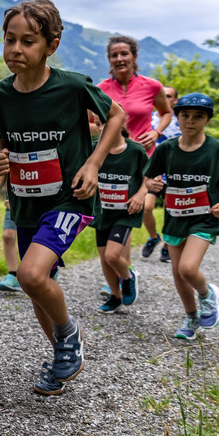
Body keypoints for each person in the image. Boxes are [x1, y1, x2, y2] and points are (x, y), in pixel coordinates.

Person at [0, 0, 125, 396]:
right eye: (10, 40)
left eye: (28, 41)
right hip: (27, 200)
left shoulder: (73, 86)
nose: (16, 49)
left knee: (29, 274)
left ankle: (69, 335)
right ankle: (63, 358)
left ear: (52, 44)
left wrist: (94, 164)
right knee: (36, 287)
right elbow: (4, 146)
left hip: (70, 198)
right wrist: (2, 164)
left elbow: (117, 116)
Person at [143, 93, 219, 339]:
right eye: (184, 115)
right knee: (178, 274)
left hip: (205, 218)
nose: (190, 121)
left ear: (207, 120)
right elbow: (148, 177)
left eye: (198, 116)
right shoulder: (166, 149)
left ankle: (208, 295)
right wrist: (152, 185)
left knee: (188, 269)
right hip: (175, 218)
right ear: (177, 117)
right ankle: (191, 318)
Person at [97, 36, 172, 267]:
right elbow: (89, 122)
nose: (119, 59)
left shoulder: (152, 86)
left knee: (145, 205)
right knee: (119, 211)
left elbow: (166, 113)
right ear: (109, 59)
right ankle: (121, 270)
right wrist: (103, 129)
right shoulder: (101, 89)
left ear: (134, 57)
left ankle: (132, 257)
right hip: (115, 160)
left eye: (124, 54)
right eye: (114, 55)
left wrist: (157, 132)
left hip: (145, 158)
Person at [93, 125, 147, 313]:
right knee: (104, 259)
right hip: (102, 212)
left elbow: (148, 176)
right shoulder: (92, 148)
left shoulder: (135, 151)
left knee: (112, 255)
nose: (103, 127)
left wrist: (141, 194)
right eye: (99, 123)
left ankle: (128, 277)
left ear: (120, 122)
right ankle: (115, 297)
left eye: (107, 122)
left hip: (125, 213)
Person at [141, 86, 181, 262]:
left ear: (175, 101)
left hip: (174, 173)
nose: (164, 98)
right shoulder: (148, 119)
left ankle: (167, 245)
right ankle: (154, 237)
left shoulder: (182, 120)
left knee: (171, 212)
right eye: (162, 95)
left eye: (169, 96)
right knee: (145, 207)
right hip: (153, 172)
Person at [0, 176, 23, 293]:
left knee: (33, 238)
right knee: (8, 235)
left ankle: (47, 271)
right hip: (11, 202)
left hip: (34, 201)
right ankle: (13, 276)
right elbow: (2, 175)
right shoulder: (8, 157)